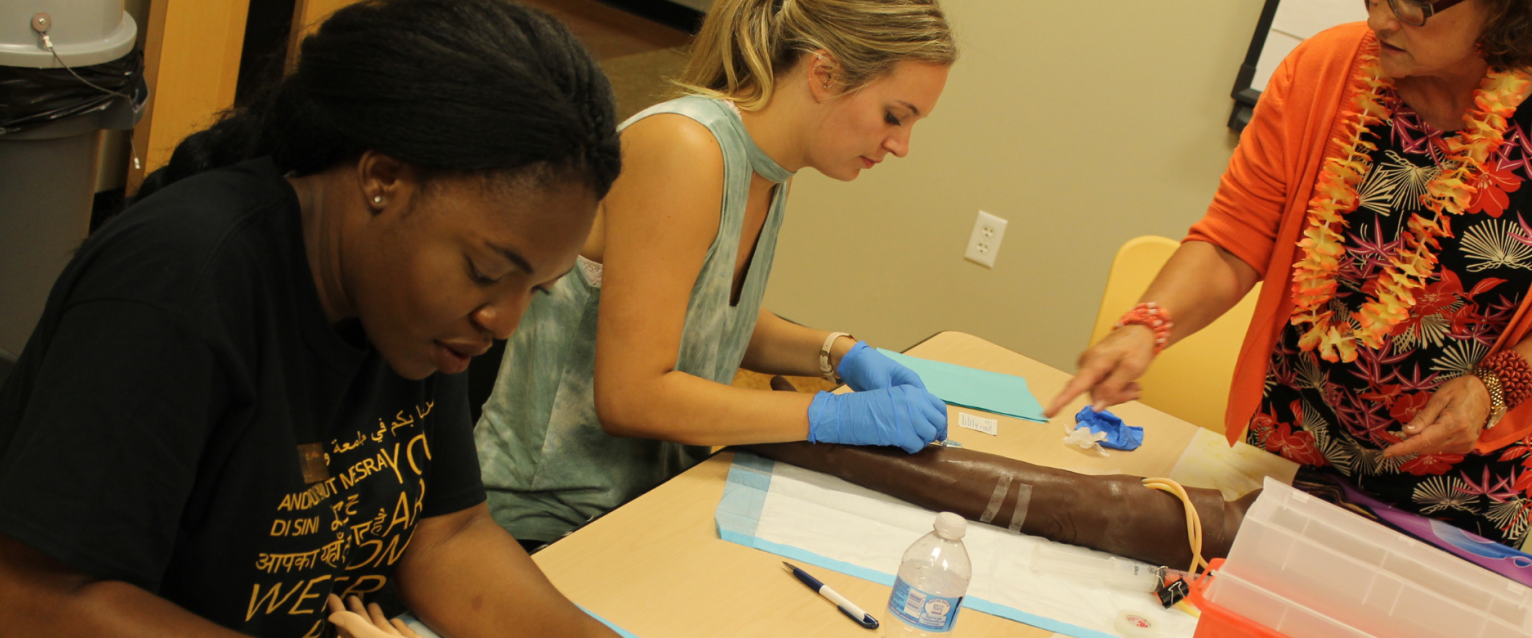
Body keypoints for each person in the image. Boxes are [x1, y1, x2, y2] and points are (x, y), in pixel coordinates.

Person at [0, 1, 623, 636]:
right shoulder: (177, 286)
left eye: (537, 288)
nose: (505, 320)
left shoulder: (414, 309)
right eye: (488, 272)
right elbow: (33, 599)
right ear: (384, 178)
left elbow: (447, 536)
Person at [475, 0, 959, 549]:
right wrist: (829, 414)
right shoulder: (685, 150)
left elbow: (705, 317)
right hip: (545, 521)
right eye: (895, 116)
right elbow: (632, 396)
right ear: (824, 74)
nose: (901, 145)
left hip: (647, 498)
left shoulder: (769, 168)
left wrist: (838, 353)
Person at [1050, 0, 1532, 547]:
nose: (1379, 21)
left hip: (1461, 495)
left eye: (1409, 6)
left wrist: (1494, 388)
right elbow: (1236, 237)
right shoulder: (1326, 66)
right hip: (1289, 445)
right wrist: (1146, 325)